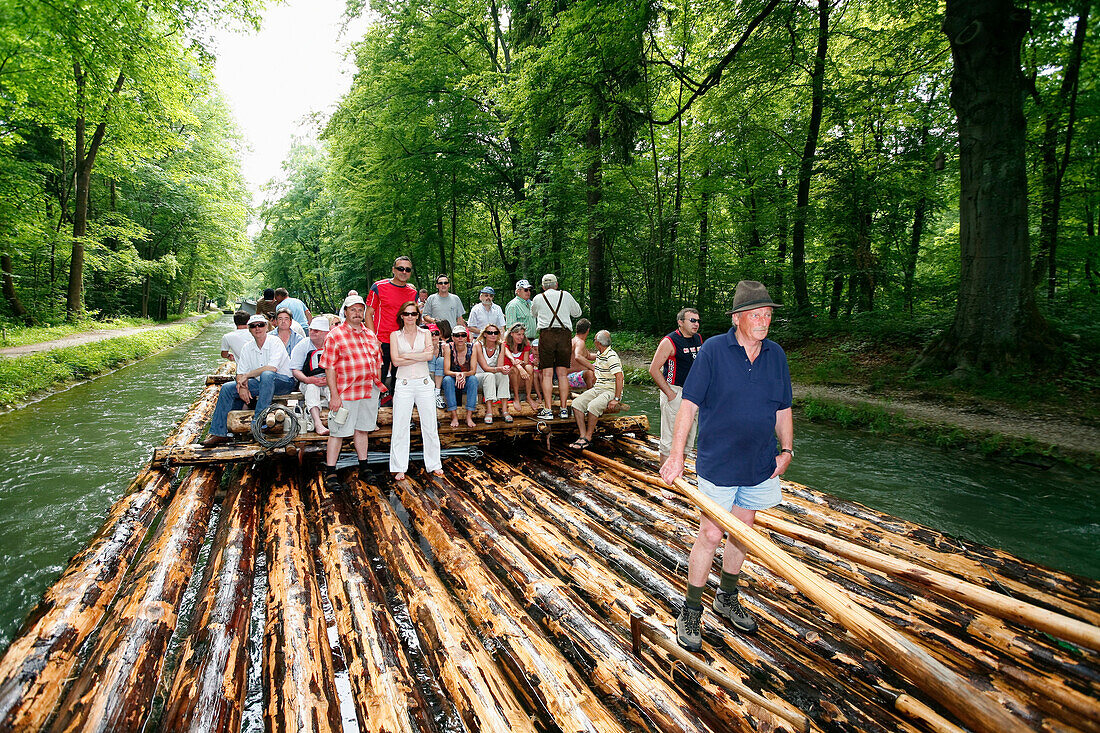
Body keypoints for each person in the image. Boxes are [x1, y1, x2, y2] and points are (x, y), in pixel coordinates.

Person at [660, 281, 793, 650]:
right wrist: (676, 454)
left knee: (743, 530)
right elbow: (689, 404)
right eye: (756, 314)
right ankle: (691, 608)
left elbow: (783, 407)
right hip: (718, 461)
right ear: (737, 318)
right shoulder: (714, 351)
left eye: (768, 314)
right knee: (712, 534)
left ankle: (727, 596)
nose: (764, 320)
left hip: (760, 463)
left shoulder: (776, 354)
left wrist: (787, 450)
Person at [321, 294, 388, 492]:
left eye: (360, 310)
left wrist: (378, 386)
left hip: (368, 391)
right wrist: (334, 395)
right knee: (337, 432)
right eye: (353, 310)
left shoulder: (370, 335)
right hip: (345, 393)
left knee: (363, 429)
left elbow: (378, 362)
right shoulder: (335, 335)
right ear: (345, 312)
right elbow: (329, 367)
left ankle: (364, 466)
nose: (357, 313)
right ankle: (331, 471)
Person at [203, 314, 297, 446]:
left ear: (267, 327)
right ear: (249, 329)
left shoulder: (275, 342)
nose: (257, 328)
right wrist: (242, 387)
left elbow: (271, 368)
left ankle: (258, 421)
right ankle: (219, 433)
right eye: (253, 326)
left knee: (267, 374)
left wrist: (247, 376)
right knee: (227, 388)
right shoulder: (247, 347)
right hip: (261, 383)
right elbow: (240, 373)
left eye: (261, 325)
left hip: (283, 382)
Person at [388, 301, 443, 481]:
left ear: (418, 316)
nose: (410, 317)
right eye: (407, 313)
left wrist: (406, 356)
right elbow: (395, 361)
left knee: (430, 425)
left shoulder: (426, 333)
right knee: (400, 426)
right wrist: (415, 356)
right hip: (403, 384)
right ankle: (399, 466)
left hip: (424, 383)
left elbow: (429, 356)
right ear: (401, 316)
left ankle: (435, 464)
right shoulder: (395, 335)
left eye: (413, 313)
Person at [648, 307, 703, 464]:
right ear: (680, 322)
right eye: (692, 320)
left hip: (693, 395)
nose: (696, 324)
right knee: (671, 438)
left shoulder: (698, 339)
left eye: (698, 321)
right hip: (675, 391)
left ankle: (679, 472)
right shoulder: (670, 341)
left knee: (688, 437)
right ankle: (666, 479)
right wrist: (670, 394)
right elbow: (653, 369)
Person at [530, 273, 581, 420]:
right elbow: (577, 312)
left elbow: (533, 313)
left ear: (543, 286)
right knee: (562, 374)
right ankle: (564, 409)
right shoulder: (566, 295)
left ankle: (548, 410)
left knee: (546, 374)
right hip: (565, 335)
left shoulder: (538, 298)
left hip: (547, 335)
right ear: (557, 284)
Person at [367, 256, 418, 396]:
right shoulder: (378, 287)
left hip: (402, 342)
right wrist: (373, 339)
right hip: (381, 341)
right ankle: (373, 413)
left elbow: (413, 318)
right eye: (400, 268)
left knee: (400, 381)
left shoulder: (413, 293)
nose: (404, 272)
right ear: (393, 270)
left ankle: (397, 413)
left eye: (407, 269)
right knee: (378, 379)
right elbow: (368, 314)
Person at [569, 330, 623, 450]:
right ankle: (582, 435)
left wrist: (616, 399)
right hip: (598, 388)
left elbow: (619, 377)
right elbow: (589, 358)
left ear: (598, 343)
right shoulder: (600, 354)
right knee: (576, 404)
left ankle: (588, 437)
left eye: (594, 340)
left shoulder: (611, 356)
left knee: (593, 406)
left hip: (610, 390)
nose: (593, 342)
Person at [291, 316, 331, 436]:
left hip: (329, 380)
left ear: (325, 333)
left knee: (334, 391)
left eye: (316, 330)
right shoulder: (303, 344)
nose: (312, 332)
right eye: (311, 329)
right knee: (312, 388)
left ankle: (339, 422)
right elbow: (295, 370)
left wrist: (330, 380)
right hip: (307, 381)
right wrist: (308, 379)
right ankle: (318, 424)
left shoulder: (333, 344)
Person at [441, 324, 479, 428]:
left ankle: (469, 416)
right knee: (447, 380)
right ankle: (454, 416)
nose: (460, 338)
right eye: (457, 335)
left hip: (466, 379)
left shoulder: (472, 347)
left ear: (466, 336)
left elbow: (473, 371)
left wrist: (463, 375)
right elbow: (446, 371)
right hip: (453, 379)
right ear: (453, 337)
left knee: (473, 379)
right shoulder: (448, 347)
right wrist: (457, 374)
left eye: (463, 335)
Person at [473, 323, 511, 423]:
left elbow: (500, 365)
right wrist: (500, 369)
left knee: (503, 375)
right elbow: (485, 368)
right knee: (489, 375)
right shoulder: (478, 345)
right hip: (479, 377)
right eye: (490, 332)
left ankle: (504, 410)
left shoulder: (501, 346)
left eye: (495, 333)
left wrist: (504, 369)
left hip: (493, 375)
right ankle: (489, 411)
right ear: (485, 334)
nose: (493, 335)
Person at [503, 323, 538, 412]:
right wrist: (519, 366)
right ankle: (516, 397)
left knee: (529, 367)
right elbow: (511, 360)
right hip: (509, 374)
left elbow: (526, 362)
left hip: (522, 375)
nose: (521, 337)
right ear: (512, 334)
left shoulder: (525, 344)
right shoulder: (505, 345)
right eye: (518, 334)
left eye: (522, 334)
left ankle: (528, 396)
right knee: (514, 369)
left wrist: (521, 362)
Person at [568, 318, 596, 391]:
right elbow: (578, 356)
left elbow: (589, 356)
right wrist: (592, 368)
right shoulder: (579, 342)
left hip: (573, 377)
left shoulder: (574, 341)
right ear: (588, 330)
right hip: (572, 378)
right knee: (590, 372)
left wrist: (604, 355)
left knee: (601, 365)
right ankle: (591, 395)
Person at [426, 323, 447, 408]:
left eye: (436, 334)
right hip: (428, 375)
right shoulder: (423, 346)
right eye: (431, 334)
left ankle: (436, 393)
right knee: (431, 359)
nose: (434, 336)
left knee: (441, 360)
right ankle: (432, 392)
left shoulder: (444, 346)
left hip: (441, 375)